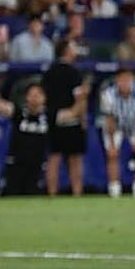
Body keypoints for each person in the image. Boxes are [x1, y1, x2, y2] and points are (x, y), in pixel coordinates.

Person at [0, 74, 82, 196]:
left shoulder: (48, 116)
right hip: (16, 165)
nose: (35, 98)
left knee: (33, 196)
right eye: (32, 94)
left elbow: (72, 113)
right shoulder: (18, 113)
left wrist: (81, 98)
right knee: (11, 195)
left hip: (37, 167)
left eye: (38, 94)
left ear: (44, 98)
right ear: (26, 97)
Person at [42, 39, 90, 197]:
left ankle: (52, 193)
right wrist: (82, 118)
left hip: (54, 118)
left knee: (54, 157)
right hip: (72, 119)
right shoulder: (74, 73)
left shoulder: (49, 72)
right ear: (66, 50)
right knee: (75, 159)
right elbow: (80, 98)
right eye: (73, 47)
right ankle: (77, 192)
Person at [99, 66, 135, 198]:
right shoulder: (108, 94)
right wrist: (112, 144)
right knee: (112, 155)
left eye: (128, 79)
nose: (125, 82)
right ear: (117, 80)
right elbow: (110, 119)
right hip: (116, 126)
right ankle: (114, 189)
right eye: (122, 79)